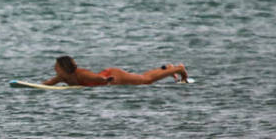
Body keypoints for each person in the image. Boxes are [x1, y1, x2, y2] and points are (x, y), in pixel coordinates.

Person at [42, 55, 189, 87]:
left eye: (56, 66)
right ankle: (168, 68)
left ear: (63, 67)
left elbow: (96, 78)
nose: (54, 69)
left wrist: (106, 81)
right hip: (108, 78)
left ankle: (178, 68)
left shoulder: (80, 74)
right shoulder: (62, 77)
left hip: (113, 76)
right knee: (144, 78)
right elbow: (47, 84)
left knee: (146, 81)